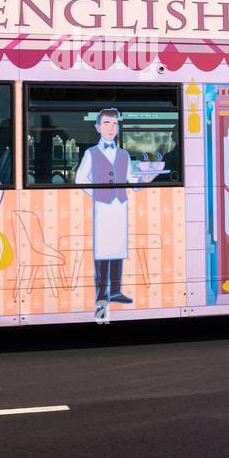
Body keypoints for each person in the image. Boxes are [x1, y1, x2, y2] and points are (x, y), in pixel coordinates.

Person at [74, 108, 161, 323]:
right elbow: (80, 179)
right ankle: (102, 295)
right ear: (98, 127)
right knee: (103, 251)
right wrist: (98, 193)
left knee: (118, 248)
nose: (111, 128)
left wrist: (144, 181)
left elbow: (131, 179)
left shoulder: (123, 154)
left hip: (120, 207)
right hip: (103, 207)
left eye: (114, 124)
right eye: (107, 124)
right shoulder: (91, 153)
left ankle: (116, 291)